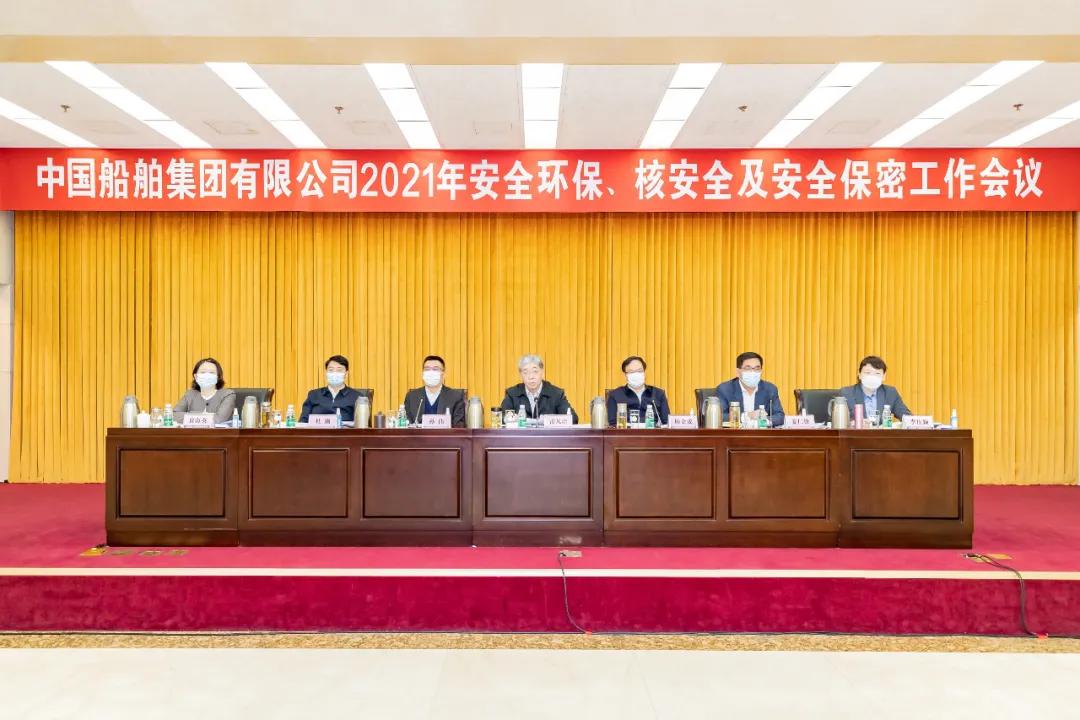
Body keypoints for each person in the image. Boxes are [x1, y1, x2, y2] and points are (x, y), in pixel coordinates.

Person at [500, 354, 578, 422]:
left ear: (542, 373)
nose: (531, 377)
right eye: (525, 372)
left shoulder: (556, 394)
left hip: (547, 435)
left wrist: (550, 420)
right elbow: (502, 417)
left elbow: (573, 419)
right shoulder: (512, 394)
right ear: (521, 375)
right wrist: (511, 418)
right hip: (520, 435)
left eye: (535, 371)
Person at [715, 351, 785, 427]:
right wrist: (748, 416)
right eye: (748, 368)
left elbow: (780, 416)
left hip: (761, 433)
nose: (753, 372)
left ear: (761, 371)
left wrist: (762, 422)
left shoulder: (770, 389)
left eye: (757, 368)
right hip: (735, 433)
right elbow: (719, 416)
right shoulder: (725, 389)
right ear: (738, 372)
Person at [840, 355, 911, 421]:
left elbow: (906, 417)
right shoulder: (846, 393)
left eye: (877, 373)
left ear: (884, 376)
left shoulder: (890, 393)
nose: (872, 377)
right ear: (859, 374)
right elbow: (837, 421)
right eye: (867, 373)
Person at [402, 355, 466, 427]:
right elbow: (406, 426)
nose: (431, 372)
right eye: (427, 369)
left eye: (435, 369)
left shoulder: (455, 397)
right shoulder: (411, 396)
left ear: (444, 374)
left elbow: (459, 428)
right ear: (423, 374)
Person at [606, 355, 670, 426]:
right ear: (625, 375)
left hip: (653, 431)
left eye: (639, 371)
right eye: (631, 372)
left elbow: (666, 422)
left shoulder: (659, 394)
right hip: (626, 432)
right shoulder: (614, 395)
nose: (636, 374)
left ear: (644, 372)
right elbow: (612, 424)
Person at [300, 355, 362, 423]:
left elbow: (363, 424)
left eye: (339, 370)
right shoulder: (313, 395)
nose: (335, 373)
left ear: (346, 374)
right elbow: (303, 422)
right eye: (331, 370)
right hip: (317, 430)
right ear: (326, 373)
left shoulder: (357, 397)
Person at [173, 357, 236, 424]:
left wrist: (190, 416)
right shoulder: (189, 394)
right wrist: (208, 416)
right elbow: (174, 415)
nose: (207, 375)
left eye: (212, 372)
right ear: (195, 376)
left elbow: (218, 419)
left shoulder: (228, 394)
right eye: (203, 372)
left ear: (217, 377)